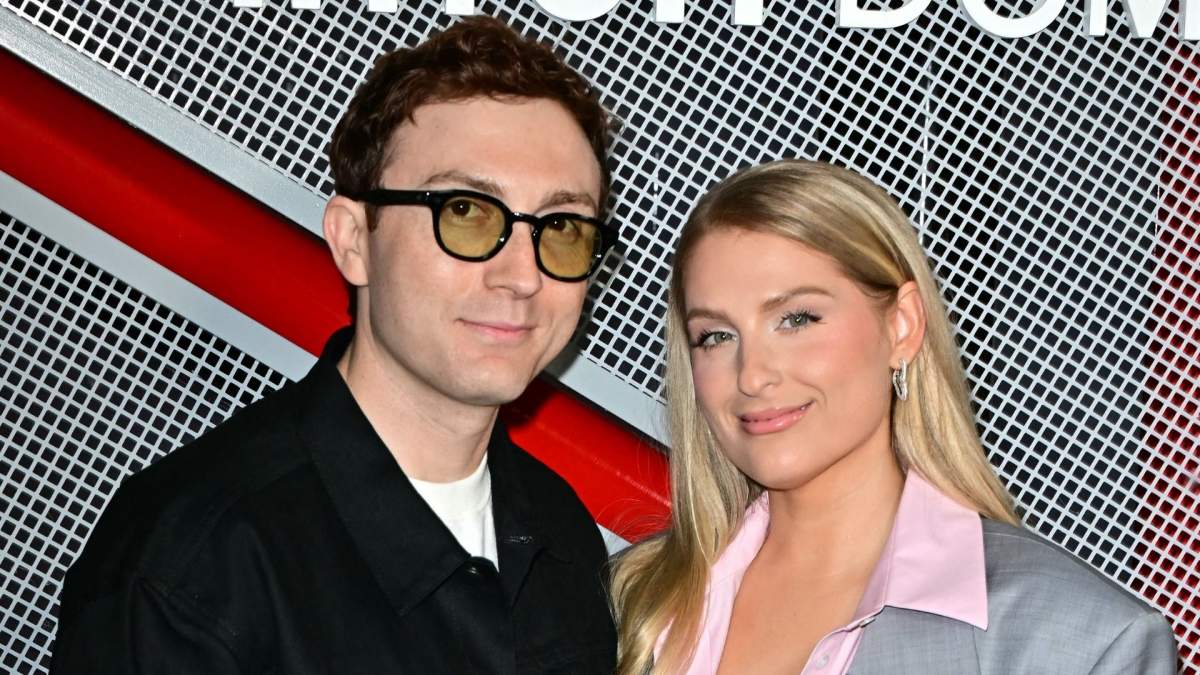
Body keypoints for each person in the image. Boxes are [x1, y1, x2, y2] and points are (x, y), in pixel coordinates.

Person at [51, 16, 618, 673]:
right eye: (465, 211)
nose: (522, 275)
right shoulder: (195, 568)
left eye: (563, 227)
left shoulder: (563, 534)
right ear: (353, 240)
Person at [609, 160, 1178, 674]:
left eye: (797, 319)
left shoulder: (1077, 644)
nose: (752, 375)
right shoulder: (628, 603)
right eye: (716, 336)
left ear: (901, 326)